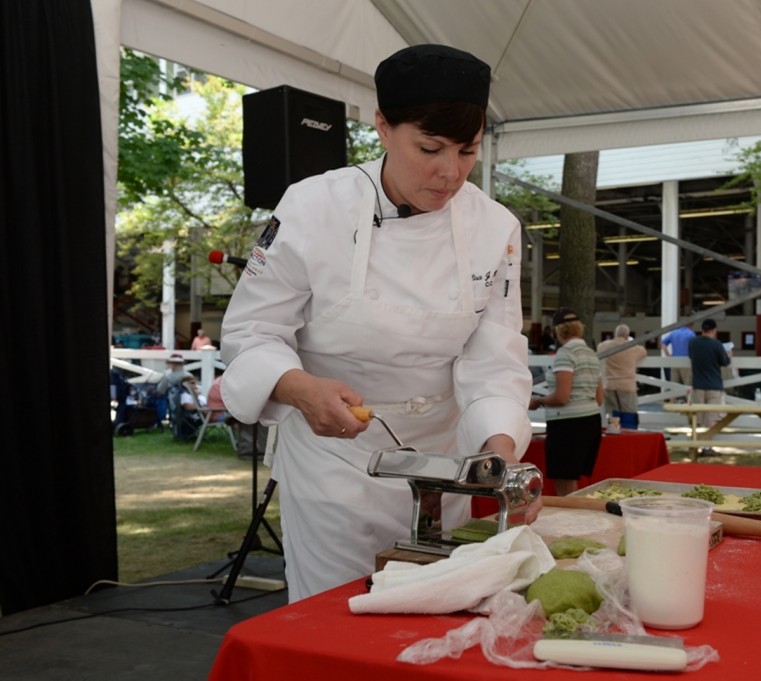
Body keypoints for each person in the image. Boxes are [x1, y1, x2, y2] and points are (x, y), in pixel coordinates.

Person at [218, 44, 535, 602]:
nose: (449, 173)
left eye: (468, 152)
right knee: (336, 624)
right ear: (383, 127)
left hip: (445, 466)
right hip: (334, 467)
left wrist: (500, 453)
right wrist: (300, 389)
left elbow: (494, 356)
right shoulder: (314, 207)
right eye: (430, 148)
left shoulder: (496, 227)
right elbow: (252, 333)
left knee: (439, 619)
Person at [529, 308, 604, 496]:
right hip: (591, 420)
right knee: (573, 480)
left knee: (564, 483)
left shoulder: (565, 354)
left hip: (569, 424)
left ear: (558, 331)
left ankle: (572, 520)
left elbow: (562, 397)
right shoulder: (591, 354)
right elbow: (599, 398)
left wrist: (539, 400)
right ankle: (576, 517)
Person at [688, 319, 732, 453]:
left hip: (698, 384)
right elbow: (725, 362)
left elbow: (691, 357)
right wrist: (729, 355)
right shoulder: (717, 344)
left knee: (699, 418)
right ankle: (707, 446)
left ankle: (696, 444)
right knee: (712, 418)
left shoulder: (693, 343)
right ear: (714, 330)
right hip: (714, 385)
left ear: (702, 329)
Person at [596, 323, 647, 429]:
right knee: (629, 412)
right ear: (627, 335)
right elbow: (643, 352)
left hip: (610, 385)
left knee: (612, 412)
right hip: (627, 386)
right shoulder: (633, 347)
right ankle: (628, 434)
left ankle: (614, 431)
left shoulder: (604, 346)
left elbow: (599, 347)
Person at [660, 323, 695, 398]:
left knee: (673, 386)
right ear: (691, 325)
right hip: (686, 362)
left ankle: (673, 403)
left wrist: (668, 355)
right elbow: (695, 346)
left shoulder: (673, 333)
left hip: (674, 361)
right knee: (687, 385)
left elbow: (663, 343)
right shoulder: (691, 333)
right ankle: (688, 404)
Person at [154, 353, 189, 423]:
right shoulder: (189, 375)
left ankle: (159, 418)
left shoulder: (169, 377)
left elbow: (159, 392)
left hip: (175, 403)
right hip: (189, 403)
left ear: (173, 365)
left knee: (159, 398)